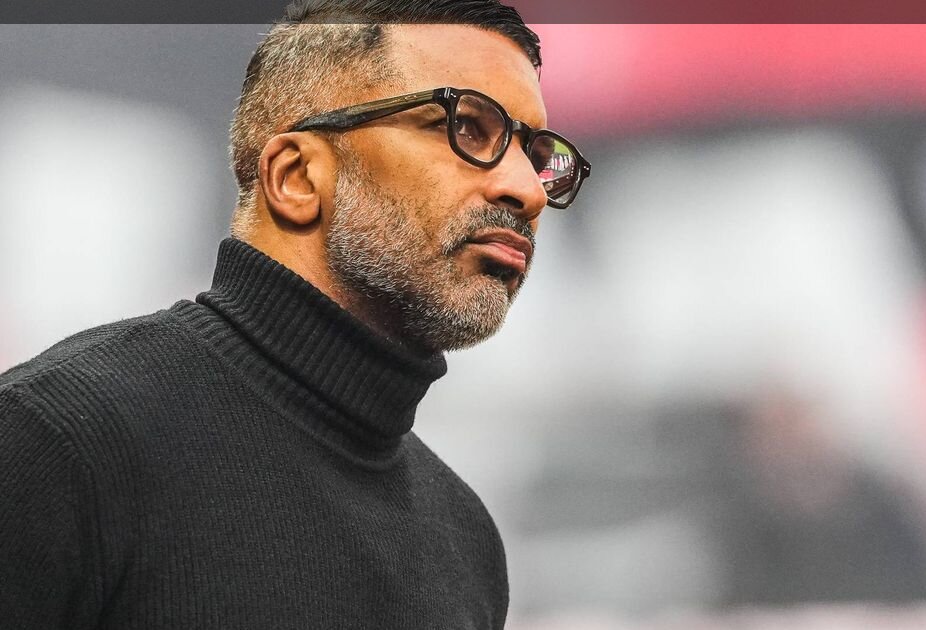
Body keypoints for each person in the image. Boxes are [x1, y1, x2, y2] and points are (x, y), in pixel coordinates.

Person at [0, 1, 589, 628]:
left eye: (538, 156)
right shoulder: (55, 442)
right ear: (296, 177)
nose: (528, 191)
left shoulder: (464, 539)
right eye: (467, 127)